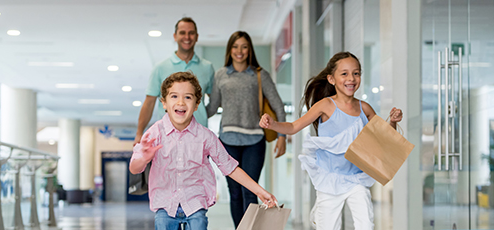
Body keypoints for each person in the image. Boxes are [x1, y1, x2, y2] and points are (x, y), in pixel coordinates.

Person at [259, 52, 403, 229]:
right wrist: (273, 124)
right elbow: (293, 127)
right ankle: (319, 211)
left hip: (355, 179)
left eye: (356, 73)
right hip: (330, 180)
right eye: (344, 73)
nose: (351, 78)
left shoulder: (364, 108)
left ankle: (320, 212)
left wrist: (393, 122)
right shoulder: (325, 105)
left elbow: (384, 137)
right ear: (331, 79)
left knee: (366, 223)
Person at [130, 71, 278, 230]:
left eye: (187, 97)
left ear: (196, 104)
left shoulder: (205, 136)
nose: (181, 102)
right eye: (174, 96)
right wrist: (143, 158)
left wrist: (260, 191)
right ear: (164, 103)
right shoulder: (155, 133)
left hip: (195, 203)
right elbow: (134, 168)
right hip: (165, 204)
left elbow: (230, 167)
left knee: (199, 222)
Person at [206, 31, 287, 227]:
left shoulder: (260, 75)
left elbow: (278, 106)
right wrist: (187, 109)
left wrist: (282, 136)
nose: (239, 51)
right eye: (235, 46)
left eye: (244, 46)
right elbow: (211, 108)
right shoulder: (220, 75)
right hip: (227, 141)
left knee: (250, 191)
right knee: (234, 192)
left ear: (249, 49)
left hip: (254, 141)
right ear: (230, 50)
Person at [134, 17, 214, 145]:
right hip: (167, 137)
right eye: (182, 33)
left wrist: (202, 114)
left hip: (199, 137)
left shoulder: (207, 67)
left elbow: (214, 100)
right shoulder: (160, 68)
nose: (187, 37)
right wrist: (139, 133)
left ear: (197, 36)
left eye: (191, 33)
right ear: (175, 36)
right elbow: (149, 103)